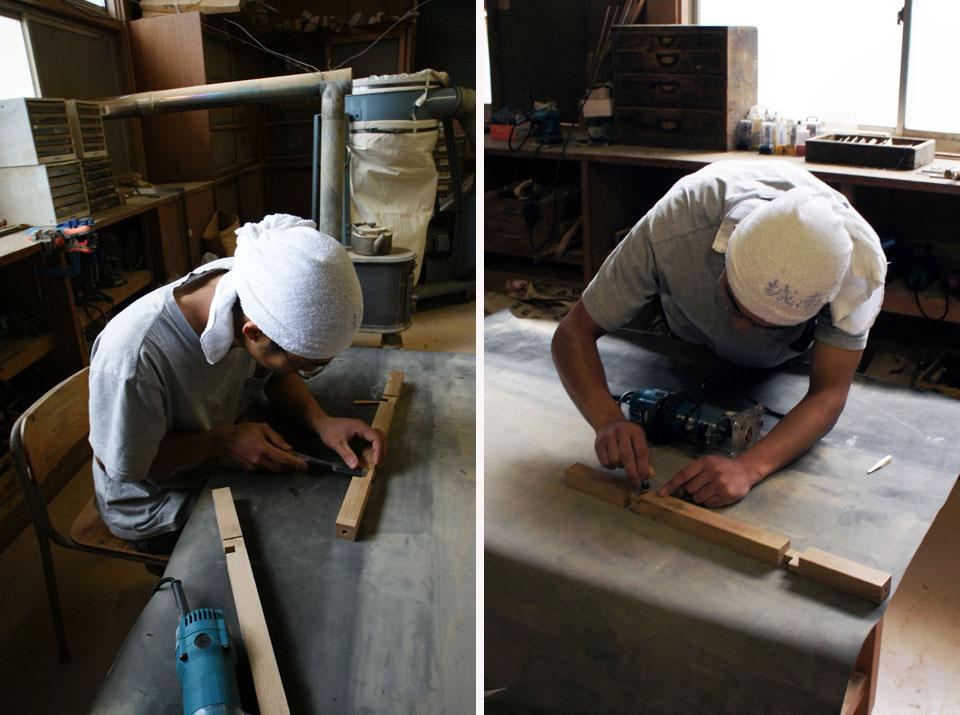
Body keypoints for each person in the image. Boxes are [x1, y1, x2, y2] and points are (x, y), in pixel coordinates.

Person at [552, 161, 886, 508]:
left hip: (781, 365)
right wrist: (606, 419)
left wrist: (748, 468)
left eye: (762, 324)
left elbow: (829, 392)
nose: (740, 328)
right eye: (735, 306)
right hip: (688, 340)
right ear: (728, 256)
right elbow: (573, 332)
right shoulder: (676, 227)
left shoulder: (856, 276)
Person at [88, 214, 385, 554]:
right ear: (254, 333)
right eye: (305, 366)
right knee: (301, 543)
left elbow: (274, 372)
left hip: (218, 449)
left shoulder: (257, 282)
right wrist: (222, 443)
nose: (305, 373)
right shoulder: (135, 358)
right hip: (156, 500)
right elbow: (124, 466)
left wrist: (323, 422)